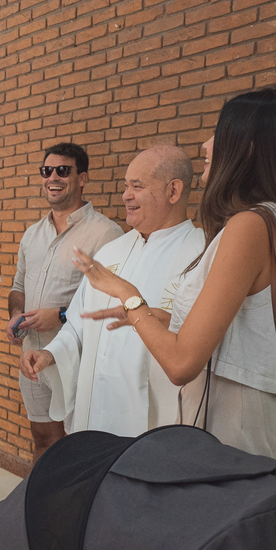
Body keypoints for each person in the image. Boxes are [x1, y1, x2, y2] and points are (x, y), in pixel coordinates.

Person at [70, 89, 276, 467]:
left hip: (231, 417)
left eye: (221, 130)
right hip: (237, 410)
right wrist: (162, 318)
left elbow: (181, 364)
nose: (206, 143)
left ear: (248, 148)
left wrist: (127, 294)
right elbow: (237, 331)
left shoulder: (250, 227)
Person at [20, 146, 205, 435]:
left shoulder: (200, 255)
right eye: (125, 186)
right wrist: (51, 353)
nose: (126, 195)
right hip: (96, 407)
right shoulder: (111, 251)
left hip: (152, 419)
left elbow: (198, 346)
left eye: (137, 186)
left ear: (173, 191)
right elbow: (80, 323)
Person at [6, 141, 123, 461]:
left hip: (76, 359)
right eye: (47, 171)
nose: (53, 177)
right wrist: (16, 314)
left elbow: (112, 299)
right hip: (32, 356)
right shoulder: (32, 234)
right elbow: (18, 286)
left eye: (63, 171)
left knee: (76, 444)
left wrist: (58, 315)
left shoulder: (106, 234)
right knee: (43, 437)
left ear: (82, 178)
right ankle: (41, 508)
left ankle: (69, 509)